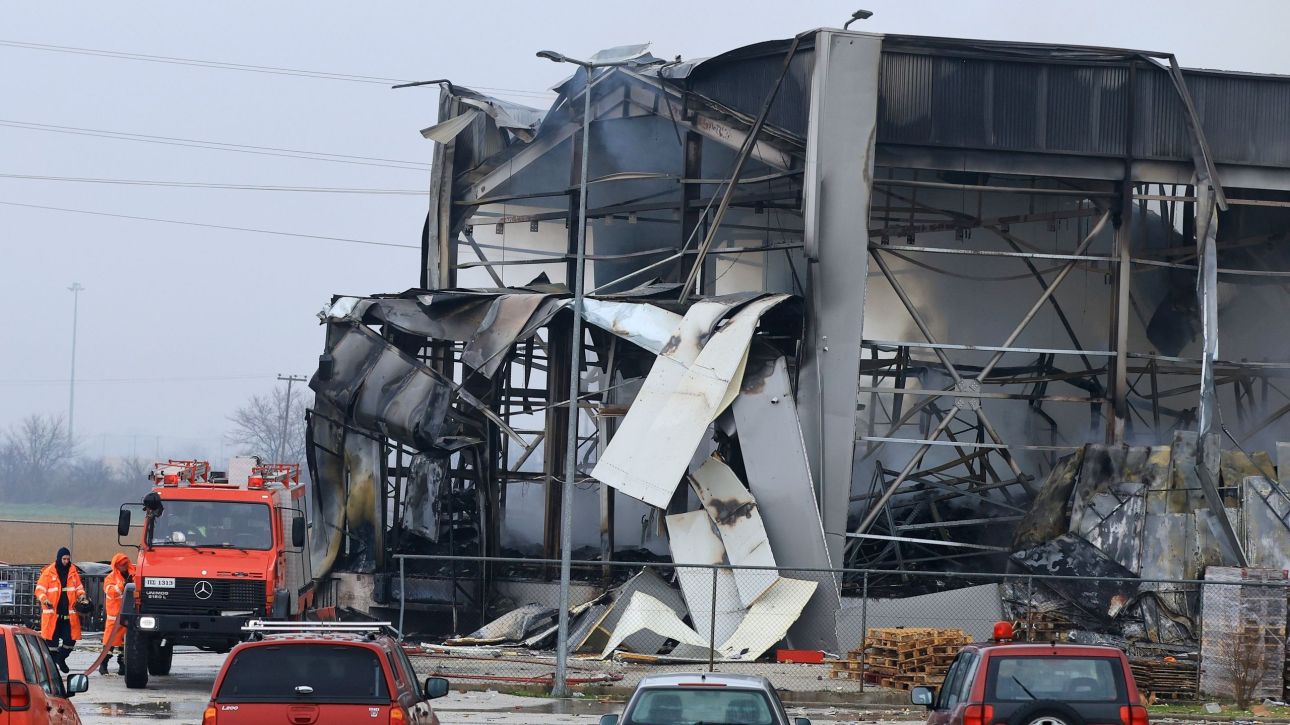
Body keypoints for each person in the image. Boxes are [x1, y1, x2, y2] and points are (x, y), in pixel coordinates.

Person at [34, 547, 88, 673]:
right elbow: (39, 590)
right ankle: (51, 670)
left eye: (68, 559)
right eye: (64, 559)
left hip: (69, 616)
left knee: (70, 641)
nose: (66, 561)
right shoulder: (48, 572)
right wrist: (45, 600)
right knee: (51, 645)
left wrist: (82, 596)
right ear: (59, 558)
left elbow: (79, 588)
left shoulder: (73, 572)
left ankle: (61, 659)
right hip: (53, 616)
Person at [100, 552, 134, 675]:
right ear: (116, 565)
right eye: (122, 564)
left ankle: (123, 666)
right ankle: (103, 664)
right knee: (110, 643)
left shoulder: (134, 574)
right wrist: (122, 585)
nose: (124, 566)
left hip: (128, 614)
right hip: (114, 617)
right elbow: (110, 592)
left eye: (126, 564)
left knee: (124, 644)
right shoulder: (110, 578)